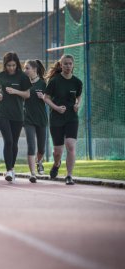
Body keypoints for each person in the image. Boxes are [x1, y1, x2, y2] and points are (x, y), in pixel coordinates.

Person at [44, 54, 82, 185]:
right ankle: (56, 163)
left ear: (73, 65)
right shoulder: (54, 81)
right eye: (65, 64)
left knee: (70, 145)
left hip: (71, 118)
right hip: (56, 119)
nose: (68, 66)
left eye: (70, 63)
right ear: (61, 65)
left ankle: (69, 175)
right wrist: (56, 108)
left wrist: (77, 104)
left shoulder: (77, 82)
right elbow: (46, 97)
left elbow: (79, 96)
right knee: (57, 152)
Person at [0, 51, 31, 182]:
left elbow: (27, 95)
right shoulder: (0, 76)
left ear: (17, 65)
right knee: (8, 141)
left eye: (13, 65)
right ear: (5, 65)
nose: (11, 67)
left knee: (14, 143)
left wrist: (15, 91)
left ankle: (12, 167)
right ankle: (9, 170)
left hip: (17, 114)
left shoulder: (22, 77)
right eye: (9, 65)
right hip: (2, 113)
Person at [23, 59, 48, 183]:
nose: (25, 70)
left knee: (41, 148)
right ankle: (32, 173)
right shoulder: (24, 83)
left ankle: (39, 162)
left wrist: (43, 97)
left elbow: (51, 99)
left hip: (41, 118)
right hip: (28, 119)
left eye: (27, 68)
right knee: (31, 145)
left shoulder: (43, 84)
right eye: (25, 68)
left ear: (34, 69)